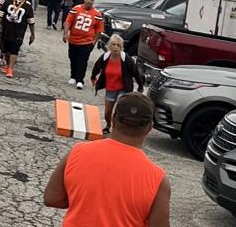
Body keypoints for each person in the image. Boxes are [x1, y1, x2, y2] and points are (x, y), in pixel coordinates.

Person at [43, 92, 170, 227]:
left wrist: (84, 202)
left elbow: (51, 198)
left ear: (113, 120)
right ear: (149, 128)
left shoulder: (77, 152)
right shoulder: (158, 179)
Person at [91, 35, 143, 134]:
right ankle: (108, 125)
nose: (115, 47)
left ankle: (117, 128)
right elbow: (97, 67)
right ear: (110, 46)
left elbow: (136, 72)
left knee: (119, 110)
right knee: (107, 113)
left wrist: (140, 86)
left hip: (123, 88)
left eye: (118, 45)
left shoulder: (126, 59)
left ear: (121, 47)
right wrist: (93, 77)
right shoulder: (106, 57)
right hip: (110, 88)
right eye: (113, 44)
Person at [64, 0, 103, 90]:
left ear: (93, 1)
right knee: (73, 58)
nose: (89, 1)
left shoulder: (97, 14)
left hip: (87, 41)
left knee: (83, 60)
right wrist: (65, 33)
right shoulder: (76, 9)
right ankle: (73, 76)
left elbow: (99, 29)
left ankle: (80, 80)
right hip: (73, 39)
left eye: (91, 0)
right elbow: (68, 21)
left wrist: (95, 41)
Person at [0, 0, 36, 79]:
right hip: (7, 28)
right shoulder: (8, 1)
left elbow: (31, 20)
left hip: (19, 30)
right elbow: (1, 13)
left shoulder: (27, 5)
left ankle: (10, 68)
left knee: (15, 49)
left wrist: (32, 34)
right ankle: (7, 64)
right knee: (6, 50)